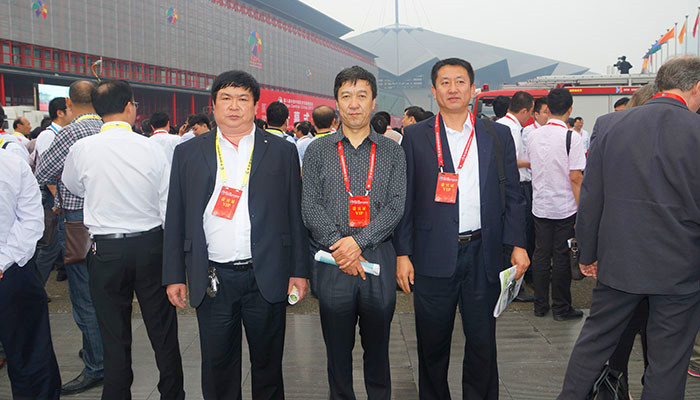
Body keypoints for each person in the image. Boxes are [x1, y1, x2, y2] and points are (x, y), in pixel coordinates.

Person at [559, 56, 700, 399]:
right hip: (681, 267)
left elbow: (592, 196)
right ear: (696, 87)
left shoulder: (610, 125)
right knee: (668, 361)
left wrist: (587, 253)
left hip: (619, 260)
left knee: (593, 344)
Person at [163, 70, 309, 399]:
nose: (234, 106)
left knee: (268, 367)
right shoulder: (188, 152)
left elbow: (295, 214)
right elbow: (176, 215)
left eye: (243, 99)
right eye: (226, 98)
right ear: (213, 106)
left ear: (255, 106)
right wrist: (173, 275)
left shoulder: (281, 151)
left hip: (266, 274)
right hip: (213, 277)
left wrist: (299, 271)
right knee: (218, 369)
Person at [394, 57, 528, 399]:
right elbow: (405, 198)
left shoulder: (496, 134)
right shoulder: (415, 136)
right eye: (445, 82)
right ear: (434, 90)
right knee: (432, 344)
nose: (452, 89)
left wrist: (518, 243)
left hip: (484, 253)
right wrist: (403, 253)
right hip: (431, 254)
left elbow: (514, 193)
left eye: (460, 81)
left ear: (472, 89)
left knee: (483, 343)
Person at [61, 80, 184, 400]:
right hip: (151, 246)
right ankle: (172, 394)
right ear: (129, 107)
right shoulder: (151, 148)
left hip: (106, 250)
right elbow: (167, 202)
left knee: (113, 337)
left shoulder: (82, 149)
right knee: (163, 332)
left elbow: (73, 186)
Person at [301, 66, 406, 399]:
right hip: (333, 261)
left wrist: (357, 243)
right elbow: (309, 206)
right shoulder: (317, 150)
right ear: (336, 102)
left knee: (378, 351)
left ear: (373, 101)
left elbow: (396, 205)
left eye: (362, 95)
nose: (354, 103)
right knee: (337, 353)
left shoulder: (392, 150)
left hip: (378, 257)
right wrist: (341, 247)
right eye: (346, 96)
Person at [35, 80, 105, 395]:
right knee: (104, 292)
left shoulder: (70, 133)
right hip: (109, 220)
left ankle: (97, 364)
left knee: (83, 294)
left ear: (68, 102)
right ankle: (99, 350)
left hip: (77, 221)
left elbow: (43, 173)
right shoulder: (108, 127)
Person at [0, 148, 61, 399]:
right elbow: (31, 220)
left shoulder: (12, 165)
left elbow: (31, 220)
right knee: (30, 354)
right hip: (13, 267)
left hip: (13, 270)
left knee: (30, 354)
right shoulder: (12, 164)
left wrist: (4, 262)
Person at [525, 88, 585, 321]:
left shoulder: (533, 135)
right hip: (564, 206)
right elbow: (576, 177)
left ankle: (540, 305)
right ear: (570, 109)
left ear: (548, 108)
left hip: (540, 204)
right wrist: (582, 209)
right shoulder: (572, 137)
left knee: (541, 254)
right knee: (561, 256)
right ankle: (561, 307)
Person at [496, 91, 536, 302]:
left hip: (507, 187)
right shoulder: (510, 129)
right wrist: (532, 161)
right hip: (514, 186)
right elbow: (511, 161)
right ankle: (513, 287)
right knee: (515, 239)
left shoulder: (502, 124)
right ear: (525, 110)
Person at [34, 97, 73, 284]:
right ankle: (35, 289)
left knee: (57, 247)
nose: (73, 113)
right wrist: (58, 200)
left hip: (60, 199)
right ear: (60, 113)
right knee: (50, 247)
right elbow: (47, 172)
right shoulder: (48, 135)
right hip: (54, 200)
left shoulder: (63, 133)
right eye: (70, 109)